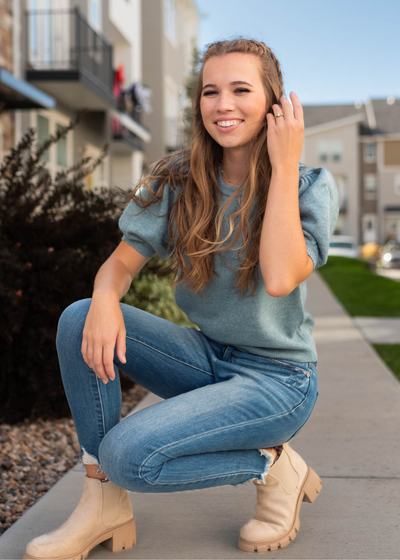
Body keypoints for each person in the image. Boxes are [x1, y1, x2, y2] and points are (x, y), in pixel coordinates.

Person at [23, 38, 339, 559]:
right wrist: (105, 297)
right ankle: (103, 502)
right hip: (207, 358)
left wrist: (283, 166)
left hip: (278, 381)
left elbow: (281, 277)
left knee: (130, 456)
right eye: (210, 92)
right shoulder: (178, 179)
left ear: (274, 103)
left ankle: (274, 466)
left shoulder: (306, 185)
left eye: (241, 89)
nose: (223, 105)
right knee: (80, 318)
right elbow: (121, 263)